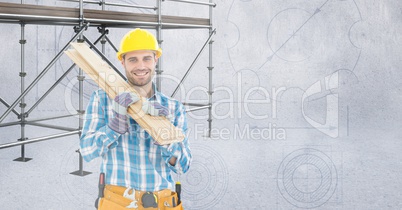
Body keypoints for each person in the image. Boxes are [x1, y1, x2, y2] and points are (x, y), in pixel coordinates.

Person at [80, 28, 191, 210]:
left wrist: (165, 135)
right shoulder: (102, 99)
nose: (141, 66)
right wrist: (113, 128)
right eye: (133, 59)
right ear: (122, 61)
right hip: (117, 201)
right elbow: (86, 150)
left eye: (147, 58)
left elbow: (183, 165)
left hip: (161, 203)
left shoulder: (172, 108)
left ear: (156, 59)